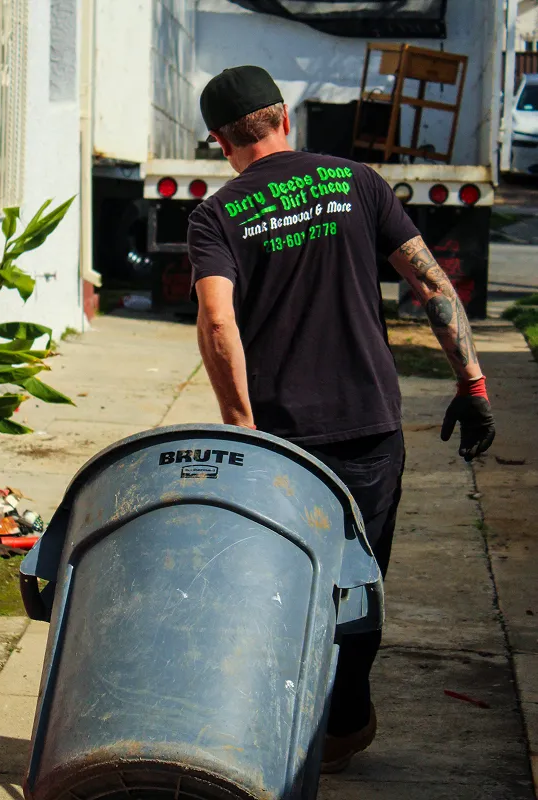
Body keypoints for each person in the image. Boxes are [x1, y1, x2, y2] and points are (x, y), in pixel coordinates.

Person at [187, 65, 495, 772]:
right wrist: (471, 383)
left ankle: (271, 725)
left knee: (278, 583)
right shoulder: (356, 182)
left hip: (284, 443)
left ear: (219, 141)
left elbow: (217, 319)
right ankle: (344, 724)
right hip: (369, 430)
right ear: (284, 115)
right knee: (359, 583)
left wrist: (240, 427)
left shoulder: (219, 214)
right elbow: (430, 282)